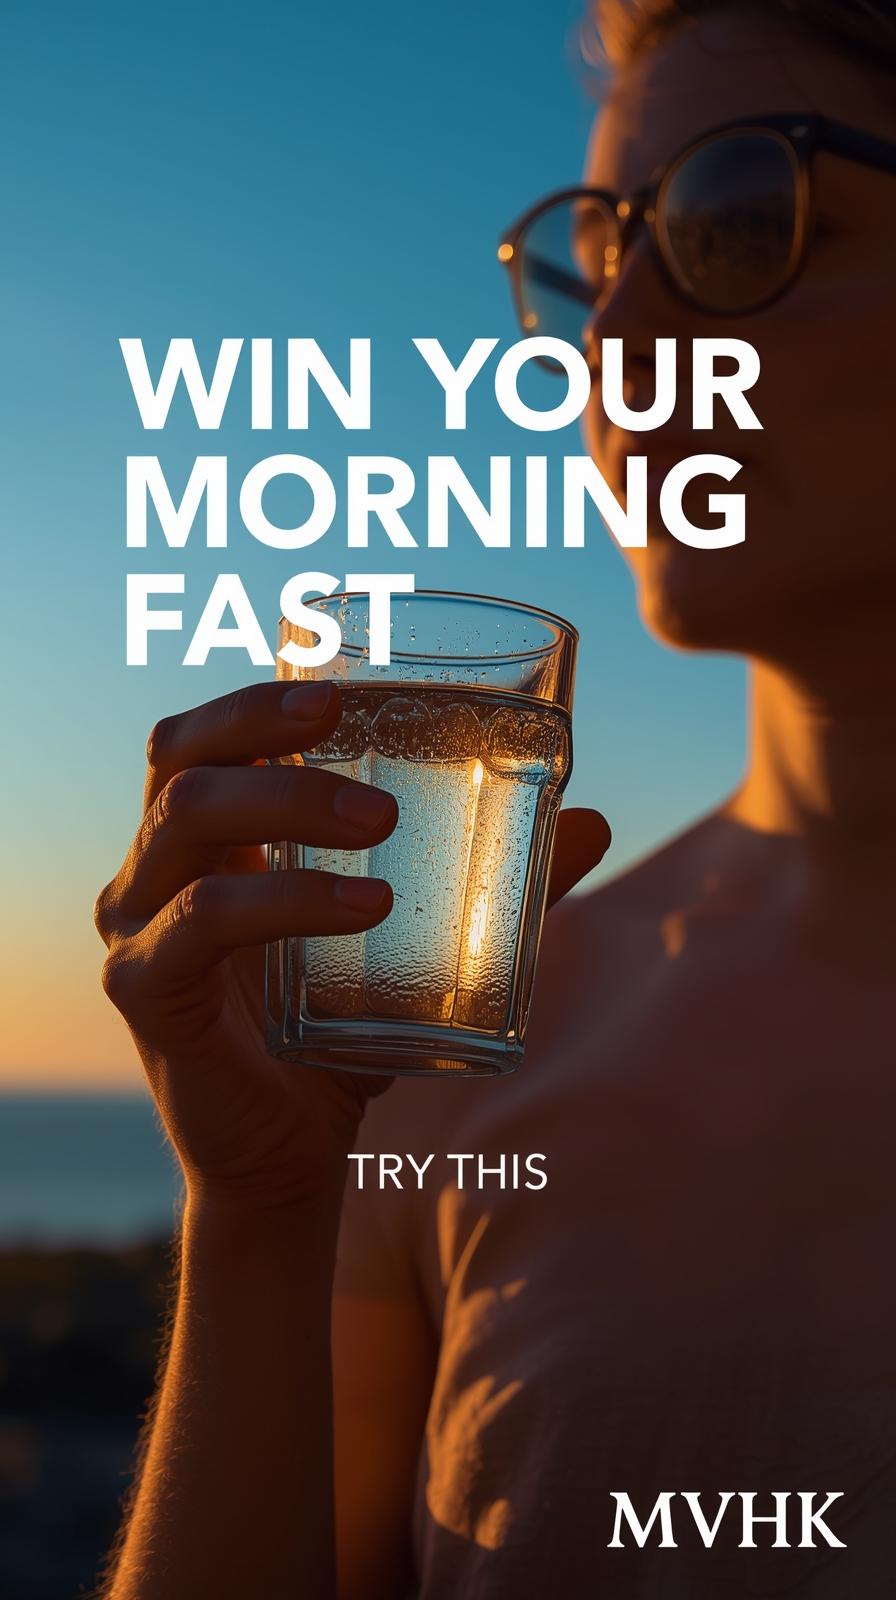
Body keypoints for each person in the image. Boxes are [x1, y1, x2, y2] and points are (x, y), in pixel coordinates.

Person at [94, 2, 896, 1594]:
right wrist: (260, 1215)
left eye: (738, 219)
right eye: (596, 262)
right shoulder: (454, 1042)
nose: (619, 343)